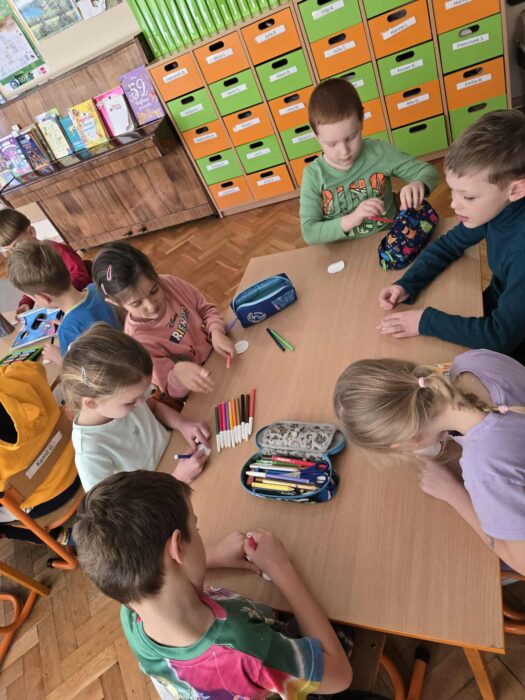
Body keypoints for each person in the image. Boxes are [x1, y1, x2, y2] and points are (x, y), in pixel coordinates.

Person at [73, 470, 353, 698]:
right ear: (177, 549)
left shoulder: (132, 612)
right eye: (195, 528)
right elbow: (340, 676)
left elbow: (159, 571)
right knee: (344, 620)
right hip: (277, 666)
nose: (198, 533)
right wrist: (281, 568)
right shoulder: (245, 647)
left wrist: (213, 556)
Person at [333, 349, 525, 576]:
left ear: (409, 439)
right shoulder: (473, 360)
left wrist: (454, 494)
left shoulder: (485, 470)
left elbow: (521, 562)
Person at [377, 110, 525, 364]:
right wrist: (407, 284)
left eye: (468, 197)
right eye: (453, 191)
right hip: (499, 309)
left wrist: (424, 321)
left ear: (516, 189)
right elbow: (448, 245)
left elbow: (500, 336)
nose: (454, 204)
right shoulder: (496, 209)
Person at [61, 324, 209, 492]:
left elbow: (154, 407)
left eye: (143, 394)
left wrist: (182, 424)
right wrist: (177, 479)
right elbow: (117, 505)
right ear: (91, 403)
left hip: (177, 453)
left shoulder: (121, 397)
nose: (141, 402)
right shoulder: (89, 452)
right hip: (165, 495)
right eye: (131, 402)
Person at [300, 78, 438, 245]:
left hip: (392, 239)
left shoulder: (378, 152)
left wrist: (418, 183)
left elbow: (428, 172)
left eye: (351, 137)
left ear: (362, 120)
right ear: (316, 136)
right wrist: (352, 219)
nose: (344, 151)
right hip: (345, 250)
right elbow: (309, 232)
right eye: (331, 144)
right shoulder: (313, 175)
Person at [92, 241, 234, 398]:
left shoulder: (170, 284)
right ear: (115, 303)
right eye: (137, 303)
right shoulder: (138, 341)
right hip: (204, 391)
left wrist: (216, 331)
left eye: (154, 291)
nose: (151, 305)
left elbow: (205, 309)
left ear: (155, 275)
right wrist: (178, 373)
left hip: (222, 358)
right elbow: (170, 389)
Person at [7, 241, 120, 366]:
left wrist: (57, 357)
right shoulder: (96, 288)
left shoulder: (67, 331)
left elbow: (76, 372)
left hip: (116, 373)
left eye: (32, 298)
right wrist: (71, 323)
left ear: (43, 298)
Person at [0, 208, 91, 317]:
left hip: (79, 302)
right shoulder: (26, 263)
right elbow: (32, 284)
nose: (16, 252)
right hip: (57, 304)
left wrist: (58, 295)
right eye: (10, 250)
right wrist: (26, 302)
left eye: (17, 245)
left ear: (31, 232)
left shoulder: (58, 250)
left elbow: (81, 276)